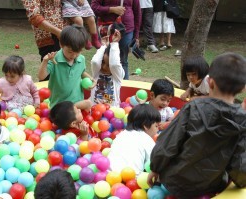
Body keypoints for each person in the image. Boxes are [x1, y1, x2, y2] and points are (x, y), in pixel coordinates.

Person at [147, 52, 246, 198]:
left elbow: (168, 142)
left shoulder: (193, 107)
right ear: (243, 88)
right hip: (210, 186)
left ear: (210, 82)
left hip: (175, 181)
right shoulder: (242, 121)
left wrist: (155, 168)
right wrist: (240, 183)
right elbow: (240, 163)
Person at [38, 25, 96, 108]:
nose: (74, 55)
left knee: (84, 111)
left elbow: (81, 72)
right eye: (70, 52)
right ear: (61, 44)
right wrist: (45, 61)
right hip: (59, 104)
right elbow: (41, 76)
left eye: (78, 52)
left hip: (77, 101)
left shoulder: (81, 59)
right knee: (86, 105)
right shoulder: (55, 59)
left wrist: (91, 79)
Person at [91, 0, 141, 80]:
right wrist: (112, 9)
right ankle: (103, 87)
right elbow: (94, 8)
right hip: (107, 30)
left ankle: (123, 88)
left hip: (127, 30)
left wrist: (136, 35)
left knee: (123, 61)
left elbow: (137, 12)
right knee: (104, 59)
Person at [108, 104, 161, 175]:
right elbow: (155, 163)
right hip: (133, 180)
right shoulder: (146, 139)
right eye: (156, 126)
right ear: (145, 125)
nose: (158, 129)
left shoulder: (120, 135)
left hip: (110, 175)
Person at [90, 30, 124, 107]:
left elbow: (114, 64)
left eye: (108, 65)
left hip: (112, 115)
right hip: (95, 114)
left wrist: (114, 43)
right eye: (102, 62)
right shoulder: (97, 72)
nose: (104, 67)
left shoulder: (117, 75)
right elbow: (95, 62)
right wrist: (103, 46)